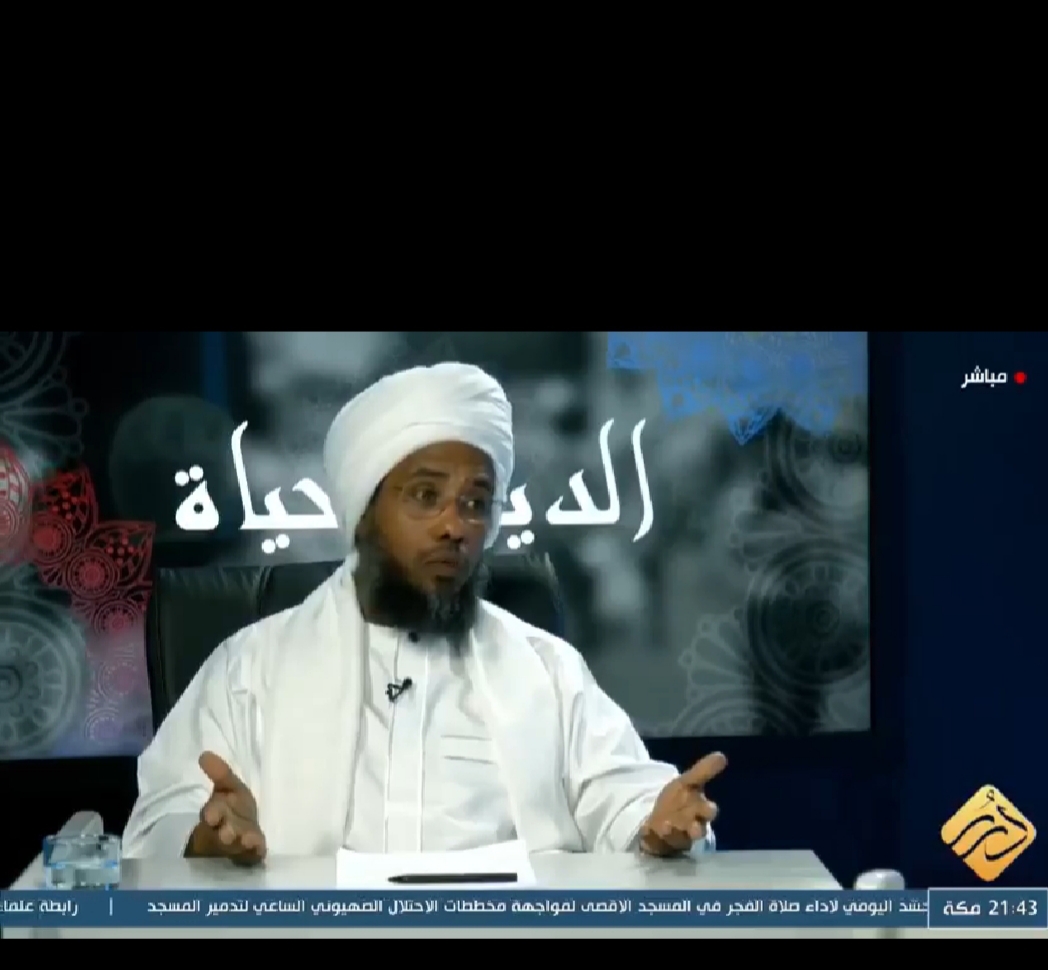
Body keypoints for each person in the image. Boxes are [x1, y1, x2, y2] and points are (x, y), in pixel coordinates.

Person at [123, 363, 727, 864]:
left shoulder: (546, 669)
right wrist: (204, 836)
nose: (454, 525)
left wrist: (656, 822)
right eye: (425, 495)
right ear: (365, 511)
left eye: (476, 503)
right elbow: (161, 819)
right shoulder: (251, 668)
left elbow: (623, 795)